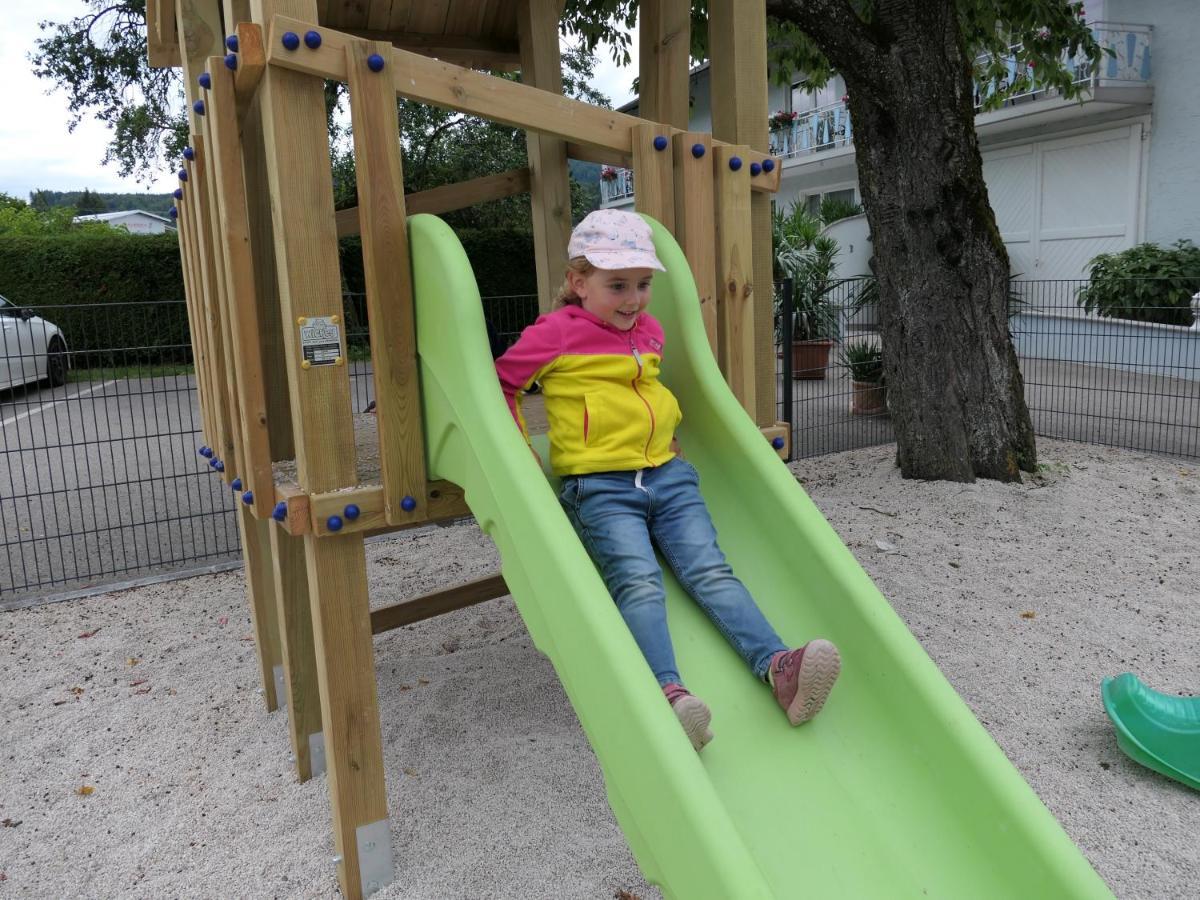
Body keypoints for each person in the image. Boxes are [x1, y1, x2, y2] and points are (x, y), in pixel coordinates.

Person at [494, 209, 841, 751]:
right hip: (600, 485)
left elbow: (647, 391)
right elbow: (504, 383)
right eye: (617, 286)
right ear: (578, 283)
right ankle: (667, 695)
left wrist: (666, 434)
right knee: (637, 580)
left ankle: (779, 669)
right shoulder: (556, 332)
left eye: (643, 284)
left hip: (668, 475)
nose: (633, 299)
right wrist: (520, 453)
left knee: (711, 570)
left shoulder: (650, 331)